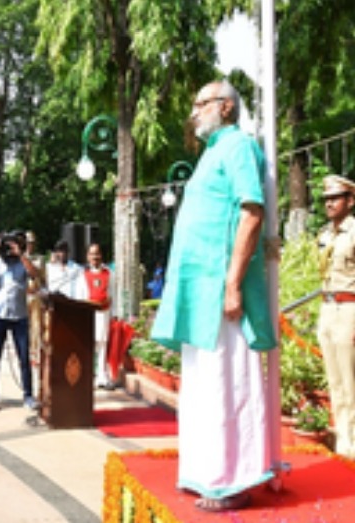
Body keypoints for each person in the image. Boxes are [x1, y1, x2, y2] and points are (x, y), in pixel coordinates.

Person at [150, 80, 276, 513]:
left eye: (200, 104)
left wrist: (232, 284)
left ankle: (234, 480)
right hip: (198, 296)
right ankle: (208, 473)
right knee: (205, 389)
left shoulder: (238, 145)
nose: (193, 112)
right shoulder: (210, 154)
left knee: (230, 386)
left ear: (225, 107)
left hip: (223, 296)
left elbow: (251, 211)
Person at [316, 174, 355, 459]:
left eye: (335, 198)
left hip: (349, 308)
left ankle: (351, 444)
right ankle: (342, 440)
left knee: (350, 380)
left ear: (350, 201)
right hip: (328, 308)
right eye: (327, 199)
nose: (329, 204)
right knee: (335, 381)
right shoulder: (325, 235)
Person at [0, 231, 40, 412]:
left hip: (19, 316)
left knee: (24, 358)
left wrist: (21, 254)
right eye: (6, 246)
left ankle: (28, 396)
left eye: (11, 246)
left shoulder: (23, 262)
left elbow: (35, 274)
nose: (8, 250)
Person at [79, 243, 114, 389]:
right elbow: (80, 296)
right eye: (92, 254)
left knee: (103, 344)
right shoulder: (83, 275)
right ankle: (88, 376)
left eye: (97, 254)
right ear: (88, 256)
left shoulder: (108, 274)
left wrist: (114, 314)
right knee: (89, 345)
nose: (95, 257)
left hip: (104, 313)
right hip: (89, 314)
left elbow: (112, 294)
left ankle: (102, 377)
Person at [24, 231, 45, 364]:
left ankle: (35, 353)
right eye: (27, 243)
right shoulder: (19, 258)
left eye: (31, 243)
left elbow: (42, 276)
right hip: (24, 295)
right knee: (24, 325)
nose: (29, 245)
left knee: (37, 326)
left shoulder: (39, 259)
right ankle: (24, 351)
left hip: (36, 294)